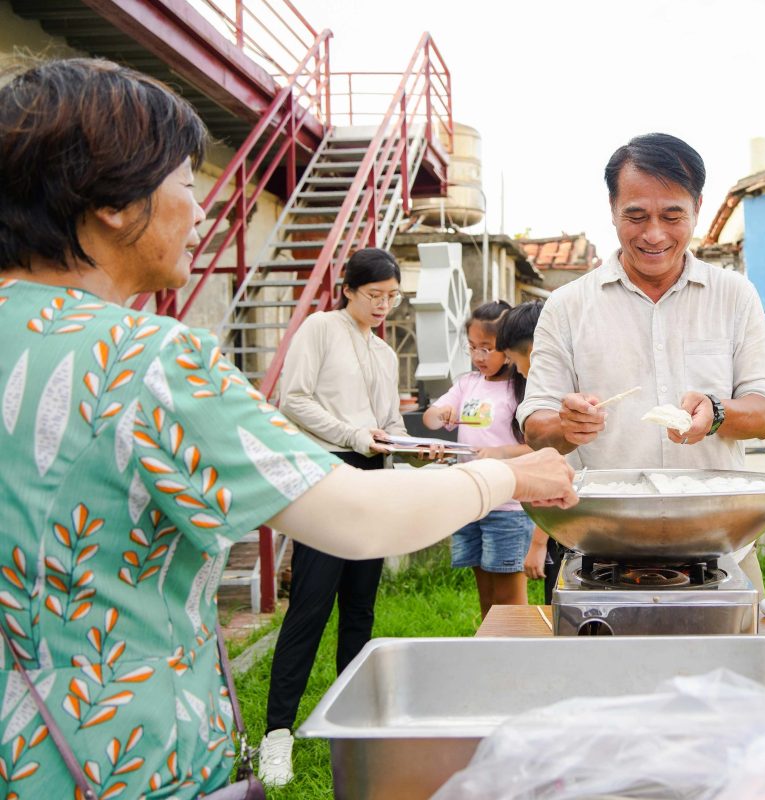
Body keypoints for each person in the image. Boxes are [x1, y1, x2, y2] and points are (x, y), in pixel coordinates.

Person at [0, 58, 576, 800]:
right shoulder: (144, 359)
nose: (201, 211)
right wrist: (509, 473)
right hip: (115, 761)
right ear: (111, 201)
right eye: (185, 184)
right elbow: (357, 518)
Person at [519, 132, 765, 593]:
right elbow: (536, 426)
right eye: (635, 216)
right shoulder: (567, 307)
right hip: (601, 554)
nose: (654, 234)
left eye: (672, 215)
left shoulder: (734, 296)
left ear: (697, 206)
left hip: (720, 552)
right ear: (612, 209)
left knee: (735, 665)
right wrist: (567, 425)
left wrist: (717, 413)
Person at [259, 247, 409, 786]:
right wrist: (353, 435)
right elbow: (293, 400)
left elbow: (387, 419)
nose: (383, 306)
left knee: (360, 611)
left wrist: (411, 442)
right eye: (375, 296)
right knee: (311, 606)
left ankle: (350, 724)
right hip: (325, 475)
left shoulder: (385, 353)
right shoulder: (320, 328)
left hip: (373, 476)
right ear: (348, 289)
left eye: (392, 298)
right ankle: (277, 734)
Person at [424, 302, 535, 619]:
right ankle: (489, 653)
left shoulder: (522, 389)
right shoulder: (467, 384)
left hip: (509, 506)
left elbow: (540, 449)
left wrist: (500, 454)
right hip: (471, 500)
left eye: (487, 348)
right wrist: (440, 413)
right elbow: (432, 419)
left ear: (508, 348)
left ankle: (515, 657)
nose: (478, 357)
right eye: (472, 347)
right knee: (485, 594)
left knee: (508, 598)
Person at [497, 300, 562, 603]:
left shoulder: (552, 400)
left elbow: (559, 465)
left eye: (513, 360)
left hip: (564, 528)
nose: (517, 370)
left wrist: (538, 543)